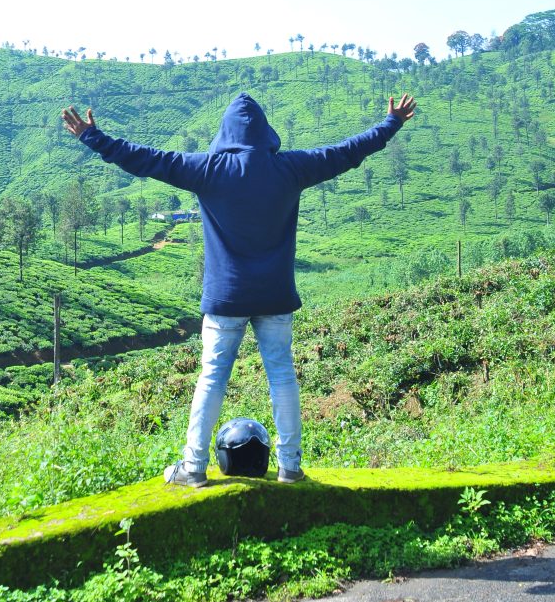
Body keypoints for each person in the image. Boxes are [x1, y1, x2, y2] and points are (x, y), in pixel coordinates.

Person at [62, 90, 416, 487]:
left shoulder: (207, 169)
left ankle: (193, 469)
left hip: (226, 297)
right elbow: (347, 152)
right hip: (275, 295)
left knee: (211, 377)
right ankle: (290, 467)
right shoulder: (291, 168)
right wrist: (391, 123)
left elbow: (145, 159)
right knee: (281, 375)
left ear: (224, 131)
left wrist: (92, 137)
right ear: (266, 131)